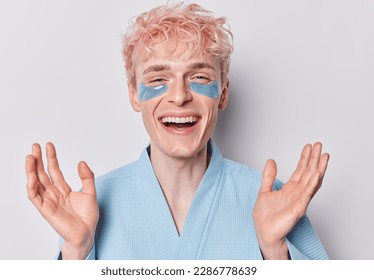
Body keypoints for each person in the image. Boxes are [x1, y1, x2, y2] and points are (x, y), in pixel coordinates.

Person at [25, 2, 330, 260]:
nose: (180, 95)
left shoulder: (273, 199)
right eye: (158, 80)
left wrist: (275, 252)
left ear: (223, 93)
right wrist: (76, 252)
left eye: (199, 76)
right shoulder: (89, 208)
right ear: (133, 94)